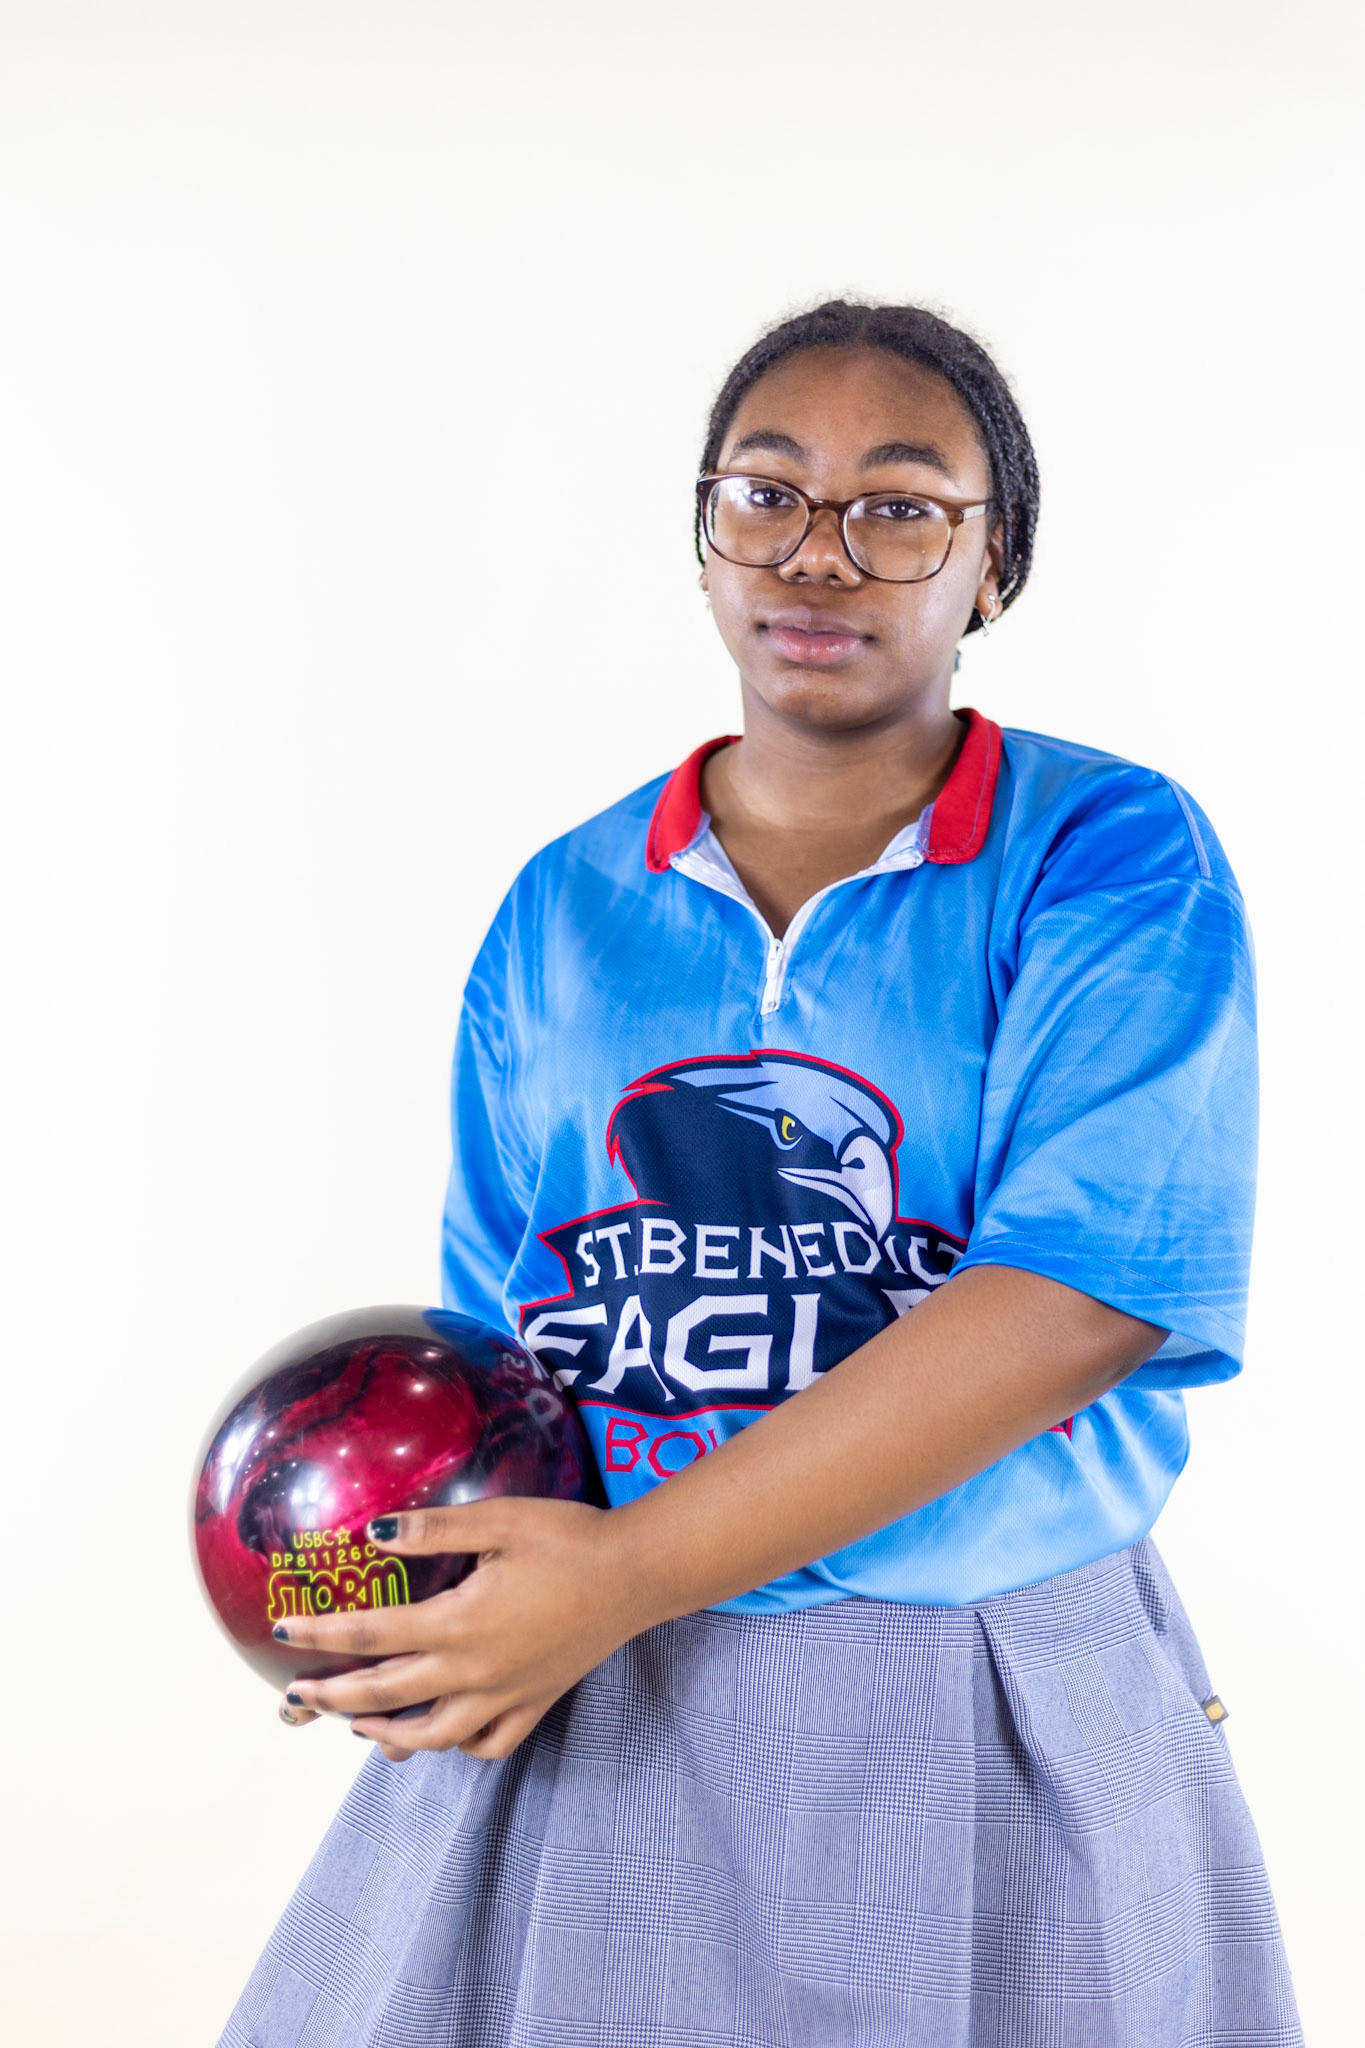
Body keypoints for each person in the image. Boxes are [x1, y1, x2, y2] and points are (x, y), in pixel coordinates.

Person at [221, 300, 1302, 2047]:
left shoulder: (1107, 856)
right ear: (704, 536)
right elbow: (509, 1365)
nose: (821, 552)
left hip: (971, 1679)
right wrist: (375, 1601)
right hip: (602, 1681)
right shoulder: (563, 907)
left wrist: (619, 1573)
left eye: (899, 506)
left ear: (990, 562)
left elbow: (1070, 1306)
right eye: (766, 494)